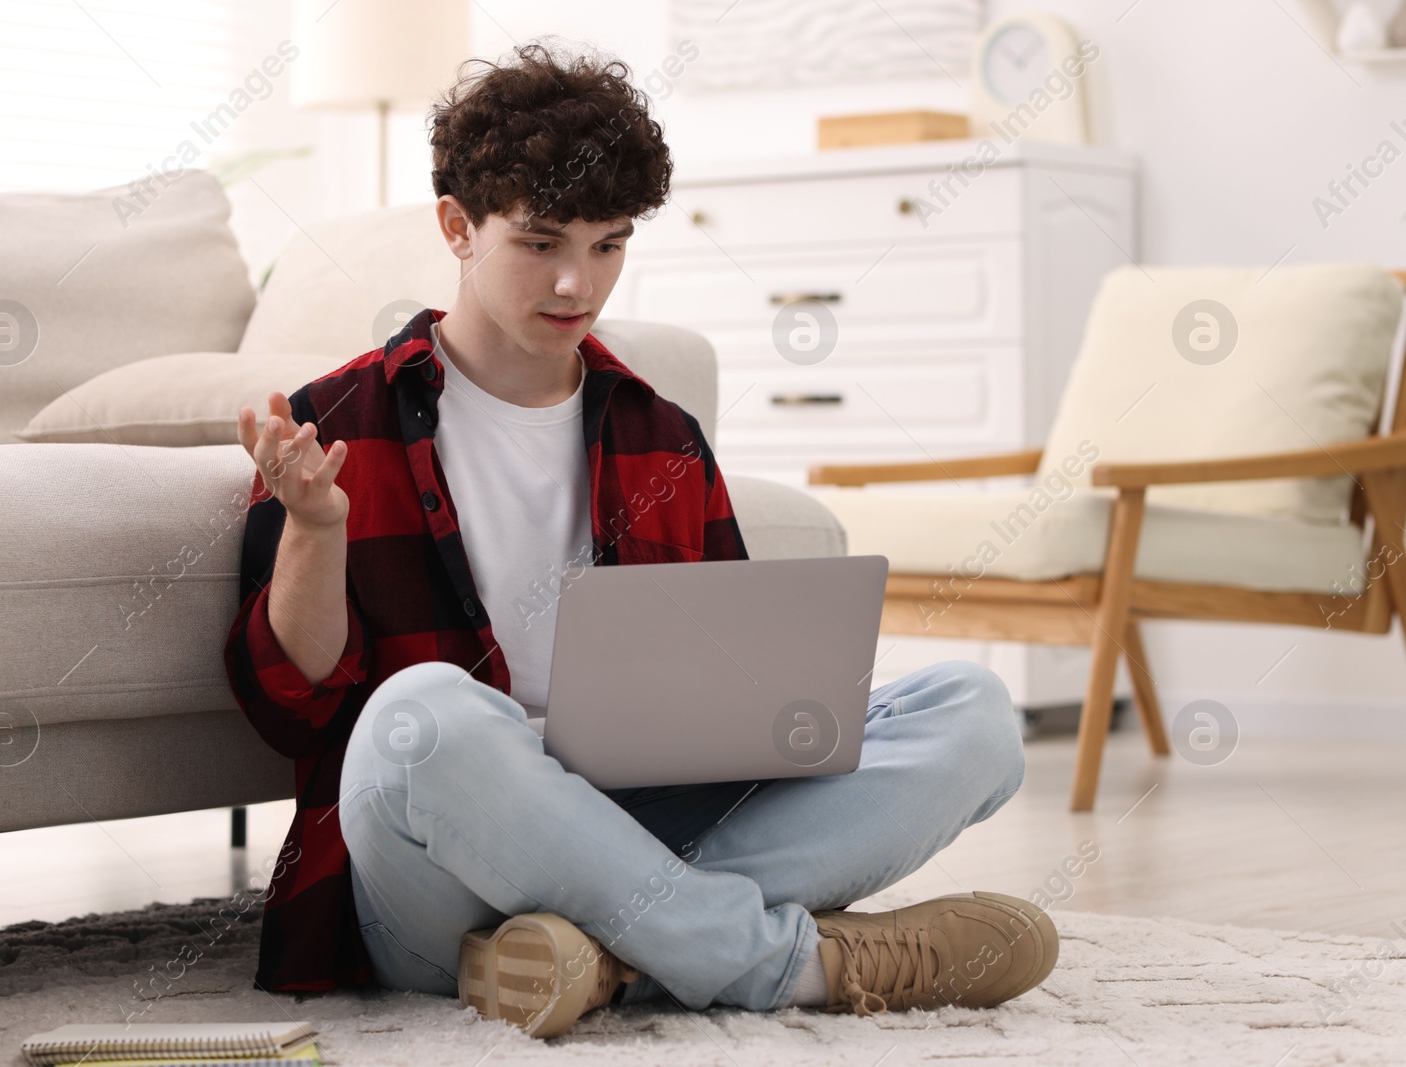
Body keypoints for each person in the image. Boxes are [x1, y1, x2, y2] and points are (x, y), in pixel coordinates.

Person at [225, 39, 1052, 1039]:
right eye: (540, 242)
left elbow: (737, 696)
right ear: (456, 226)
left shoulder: (661, 436)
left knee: (972, 713)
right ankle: (786, 963)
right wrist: (315, 528)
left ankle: (597, 958)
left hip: (650, 821)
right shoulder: (335, 421)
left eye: (609, 243)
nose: (577, 281)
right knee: (419, 715)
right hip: (438, 867)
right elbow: (295, 708)